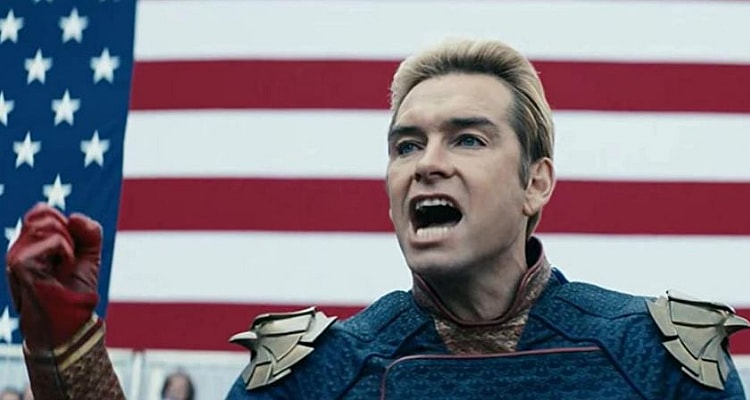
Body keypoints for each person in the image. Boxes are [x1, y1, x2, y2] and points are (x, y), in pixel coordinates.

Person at [5, 39, 749, 399]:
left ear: (536, 183)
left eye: (467, 138)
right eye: (406, 145)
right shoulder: (315, 373)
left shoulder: (659, 360)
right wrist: (64, 348)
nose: (427, 163)